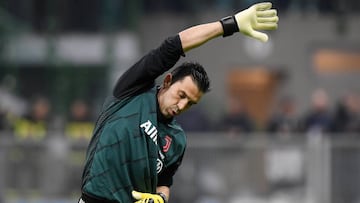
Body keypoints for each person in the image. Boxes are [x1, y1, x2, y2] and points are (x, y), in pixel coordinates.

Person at [79, 2, 279, 203]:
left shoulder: (177, 139)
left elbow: (164, 183)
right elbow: (174, 45)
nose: (182, 106)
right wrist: (230, 24)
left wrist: (161, 199)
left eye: (191, 103)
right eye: (181, 95)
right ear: (167, 82)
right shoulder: (131, 92)